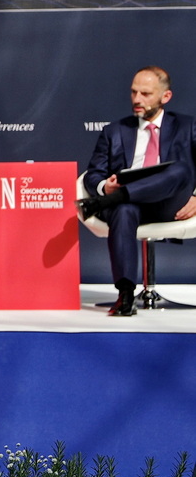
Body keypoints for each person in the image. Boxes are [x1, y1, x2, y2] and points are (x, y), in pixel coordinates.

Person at [77, 67, 196, 316]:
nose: (137, 99)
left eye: (146, 94)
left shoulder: (187, 126)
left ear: (165, 97)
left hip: (169, 203)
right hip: (129, 206)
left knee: (181, 168)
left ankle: (109, 200)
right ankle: (126, 295)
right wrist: (104, 187)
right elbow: (93, 174)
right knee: (123, 210)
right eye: (133, 92)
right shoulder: (114, 131)